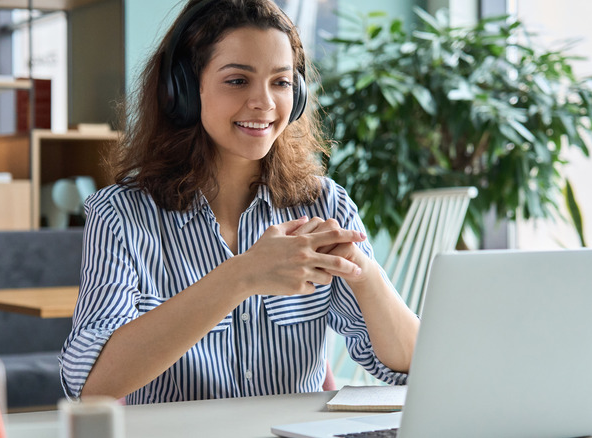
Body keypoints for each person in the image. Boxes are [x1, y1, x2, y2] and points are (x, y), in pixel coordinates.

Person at [59, 0, 420, 404]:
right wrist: (242, 275)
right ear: (183, 90)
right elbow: (89, 385)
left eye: (281, 82)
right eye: (237, 81)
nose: (264, 102)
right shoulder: (122, 216)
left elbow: (415, 367)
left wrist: (365, 274)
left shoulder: (325, 204)